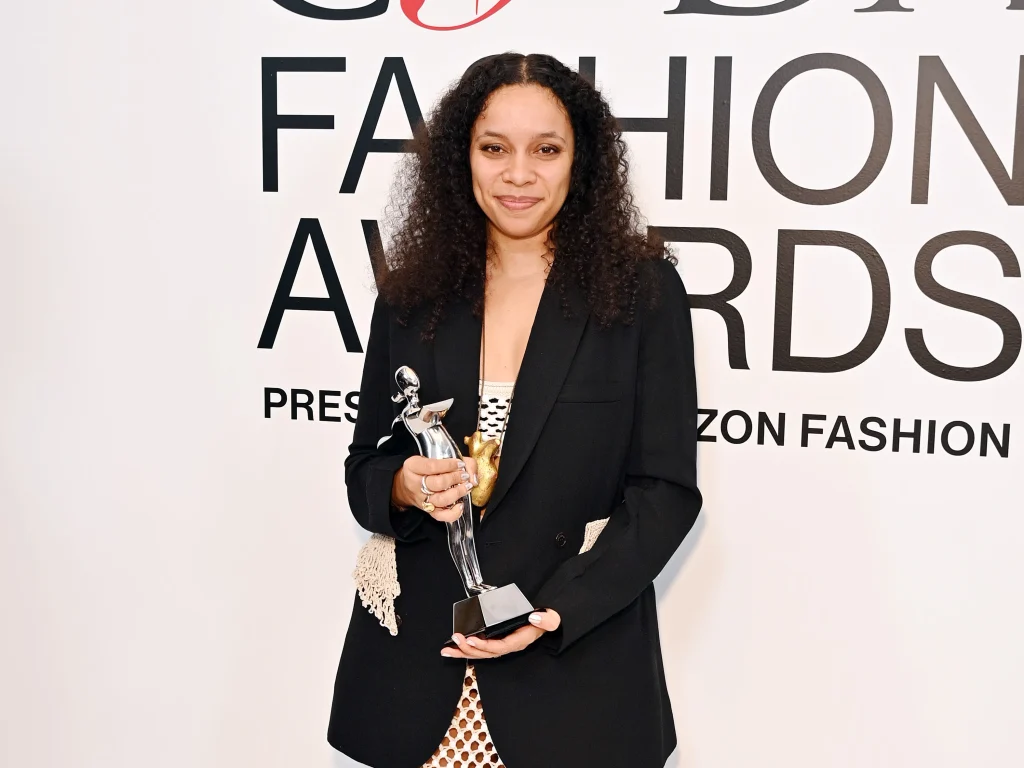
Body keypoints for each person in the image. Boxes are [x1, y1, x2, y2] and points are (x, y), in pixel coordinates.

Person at [328, 52, 703, 768]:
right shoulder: (411, 295)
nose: (518, 174)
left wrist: (557, 611)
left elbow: (665, 493)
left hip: (570, 668)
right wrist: (404, 485)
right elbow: (365, 468)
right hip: (417, 678)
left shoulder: (642, 294)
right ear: (461, 157)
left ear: (580, 160)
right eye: (495, 148)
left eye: (546, 150)